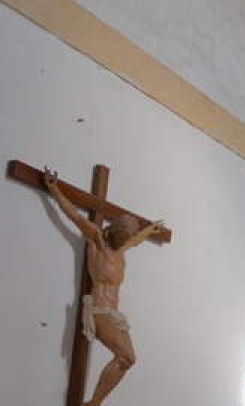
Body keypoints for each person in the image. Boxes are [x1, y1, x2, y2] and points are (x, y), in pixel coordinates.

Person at [43, 170, 166, 406]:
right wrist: (53, 188)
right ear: (116, 230)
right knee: (125, 356)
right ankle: (94, 404)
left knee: (129, 360)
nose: (126, 239)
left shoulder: (121, 251)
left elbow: (136, 240)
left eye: (128, 237)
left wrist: (150, 230)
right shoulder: (97, 241)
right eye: (124, 235)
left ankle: (94, 403)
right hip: (99, 311)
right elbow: (73, 215)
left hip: (115, 314)